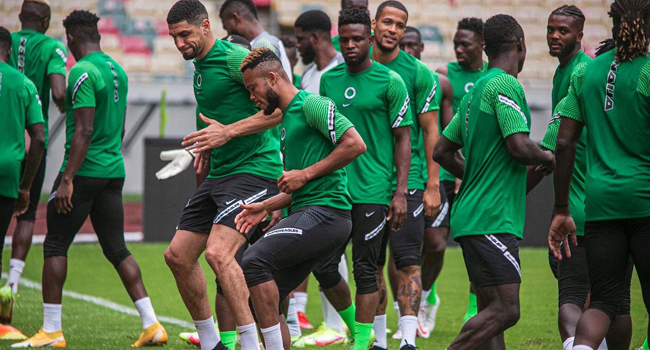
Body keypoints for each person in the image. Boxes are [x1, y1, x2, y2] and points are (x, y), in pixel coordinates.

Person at [14, 10, 167, 348]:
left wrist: (67, 179)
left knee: (55, 244)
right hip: (113, 171)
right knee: (116, 248)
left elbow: (83, 130)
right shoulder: (118, 71)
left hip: (83, 172)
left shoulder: (82, 72)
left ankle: (52, 330)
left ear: (70, 39)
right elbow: (122, 126)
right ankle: (152, 323)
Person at [164, 1, 283, 350]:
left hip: (256, 171)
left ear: (204, 26)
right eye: (173, 37)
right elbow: (218, 116)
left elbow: (281, 110)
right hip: (221, 173)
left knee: (218, 254)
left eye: (185, 34)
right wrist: (206, 145)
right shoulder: (199, 66)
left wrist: (227, 133)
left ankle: (249, 344)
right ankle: (211, 342)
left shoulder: (235, 59)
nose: (179, 44)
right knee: (177, 256)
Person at [433, 14, 555, 350]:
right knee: (507, 309)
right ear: (520, 45)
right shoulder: (505, 84)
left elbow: (442, 152)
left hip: (472, 214)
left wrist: (476, 175)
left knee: (490, 313)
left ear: (486, 49)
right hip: (490, 217)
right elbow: (518, 147)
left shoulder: (475, 92)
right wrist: (547, 157)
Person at [233, 47, 366, 350]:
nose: (251, 97)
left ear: (271, 78)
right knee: (268, 293)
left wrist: (304, 174)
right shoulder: (286, 118)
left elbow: (355, 144)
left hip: (329, 213)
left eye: (253, 88)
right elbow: (299, 187)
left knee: (254, 261)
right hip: (310, 211)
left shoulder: (312, 104)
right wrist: (265, 207)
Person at [548, 1, 650, 349]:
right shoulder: (648, 70)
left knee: (604, 300)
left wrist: (561, 209)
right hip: (644, 201)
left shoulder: (586, 72)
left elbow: (564, 144)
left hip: (600, 205)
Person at [319, 7, 413, 350]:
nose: (350, 45)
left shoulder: (391, 81)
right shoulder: (329, 80)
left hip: (373, 191)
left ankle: (362, 344)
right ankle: (360, 331)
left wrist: (400, 192)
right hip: (335, 190)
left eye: (357, 39)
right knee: (324, 265)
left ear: (370, 39)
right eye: (344, 39)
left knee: (365, 268)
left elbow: (404, 138)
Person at [367, 2, 440, 347]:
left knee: (409, 262)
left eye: (399, 25)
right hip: (366, 184)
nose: (393, 30)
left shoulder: (418, 73)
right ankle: (380, 341)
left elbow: (431, 133)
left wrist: (432, 185)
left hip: (408, 183)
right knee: (372, 266)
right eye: (387, 22)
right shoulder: (354, 68)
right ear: (374, 23)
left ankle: (408, 341)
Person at [4, 0, 67, 310]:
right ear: (45, 22)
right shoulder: (51, 47)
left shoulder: (6, 41)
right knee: (25, 210)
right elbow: (57, 92)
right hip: (28, 140)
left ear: (20, 18)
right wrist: (68, 106)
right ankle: (11, 284)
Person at [293, 9, 350, 346]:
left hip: (349, 177)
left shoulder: (344, 70)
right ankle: (337, 325)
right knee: (329, 254)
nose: (297, 45)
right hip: (318, 179)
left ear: (314, 38)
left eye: (300, 38)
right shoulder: (307, 76)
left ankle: (344, 326)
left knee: (357, 259)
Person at [393, 25, 454, 338]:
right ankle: (405, 314)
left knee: (436, 243)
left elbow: (445, 132)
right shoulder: (388, 75)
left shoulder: (436, 81)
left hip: (430, 174)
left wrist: (445, 176)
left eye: (414, 44)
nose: (410, 49)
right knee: (401, 252)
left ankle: (427, 298)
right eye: (405, 44)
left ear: (421, 47)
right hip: (395, 176)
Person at [429, 17, 488, 327]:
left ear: (482, 44)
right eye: (456, 44)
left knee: (474, 243)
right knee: (436, 242)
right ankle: (429, 293)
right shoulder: (444, 75)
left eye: (465, 44)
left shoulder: (493, 77)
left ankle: (472, 306)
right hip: (448, 168)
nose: (459, 49)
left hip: (478, 173)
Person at [0, 25, 45, 326]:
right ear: (7, 47)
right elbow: (39, 139)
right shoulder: (24, 83)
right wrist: (26, 187)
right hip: (7, 172)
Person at [219, 0, 292, 81]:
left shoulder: (264, 44)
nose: (228, 33)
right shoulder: (263, 42)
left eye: (226, 27)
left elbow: (266, 86)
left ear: (235, 18)